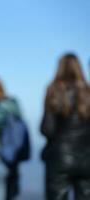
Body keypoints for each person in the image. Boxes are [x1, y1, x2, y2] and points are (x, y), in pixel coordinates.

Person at [41, 53, 90, 200]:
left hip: (59, 158)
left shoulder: (53, 91)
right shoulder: (87, 92)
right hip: (87, 158)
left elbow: (47, 129)